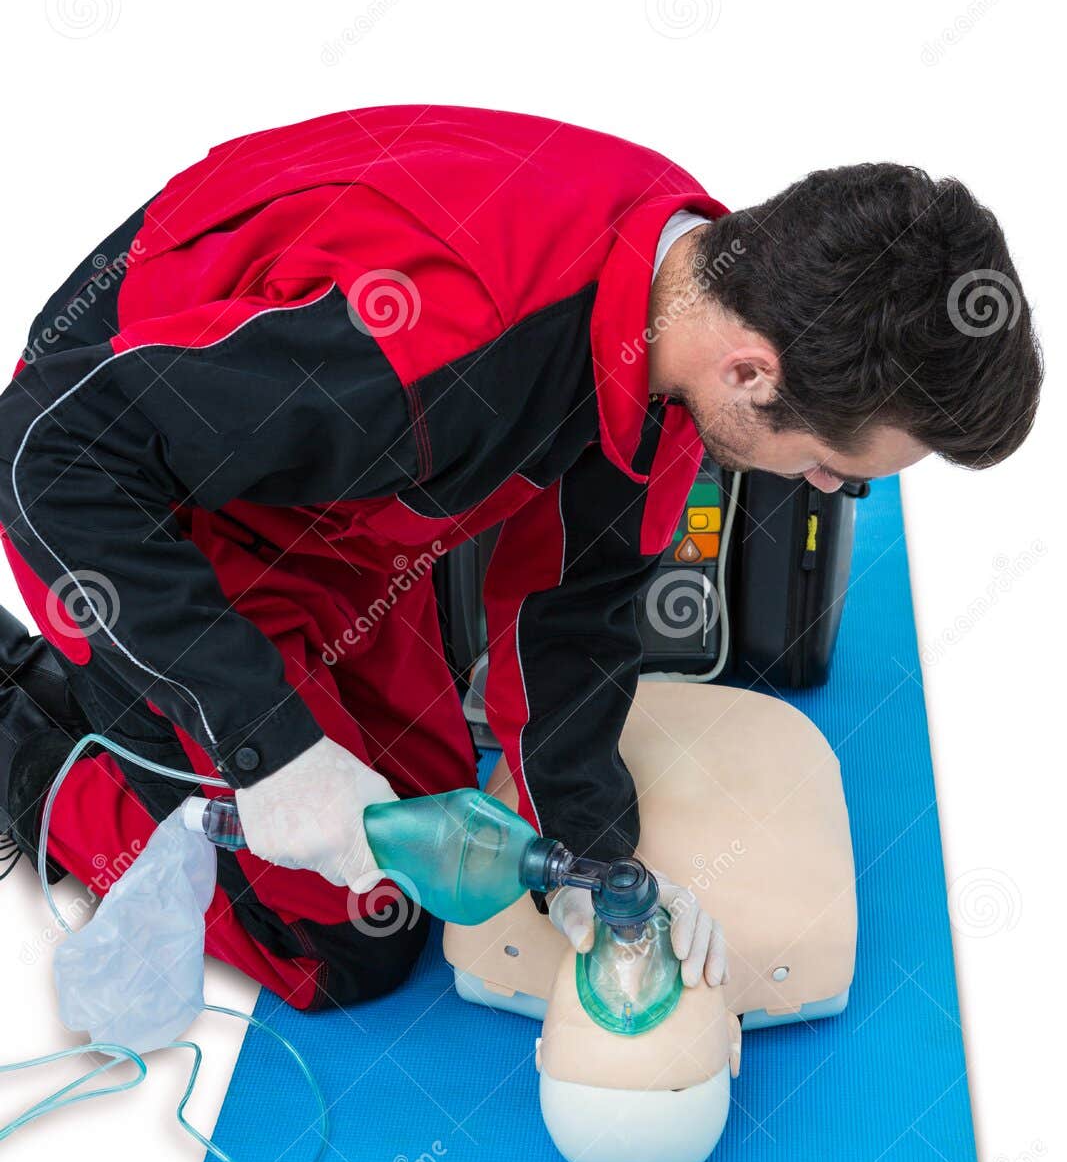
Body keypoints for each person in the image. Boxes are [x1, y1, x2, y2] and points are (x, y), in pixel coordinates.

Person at [0, 106, 1041, 1011]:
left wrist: (585, 852)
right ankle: (28, 746)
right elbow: (45, 451)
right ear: (751, 371)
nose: (817, 491)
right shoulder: (443, 346)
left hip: (325, 483)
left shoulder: (693, 299)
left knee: (421, 839)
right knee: (342, 940)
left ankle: (126, 714)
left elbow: (576, 602)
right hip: (131, 491)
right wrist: (264, 745)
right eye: (829, 465)